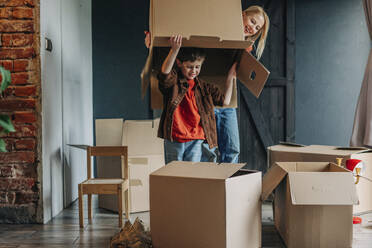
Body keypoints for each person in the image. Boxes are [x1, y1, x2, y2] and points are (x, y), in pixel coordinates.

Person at [201, 5, 270, 163]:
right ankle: (206, 185)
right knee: (207, 150)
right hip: (206, 100)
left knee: (232, 150)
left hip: (227, 101)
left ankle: (228, 185)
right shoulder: (215, 30)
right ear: (242, 14)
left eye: (257, 27)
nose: (252, 27)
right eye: (252, 21)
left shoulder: (246, 47)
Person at [157, 34, 236, 164]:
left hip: (196, 138)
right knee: (174, 174)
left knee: (192, 175)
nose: (193, 70)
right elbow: (164, 75)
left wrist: (230, 77)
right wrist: (174, 50)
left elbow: (225, 101)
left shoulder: (205, 87)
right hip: (175, 137)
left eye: (197, 67)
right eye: (189, 66)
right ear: (179, 63)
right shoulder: (174, 82)